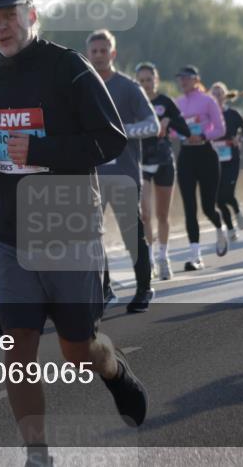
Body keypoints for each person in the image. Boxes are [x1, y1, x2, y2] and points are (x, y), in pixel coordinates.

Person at [0, 0, 148, 466]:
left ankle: (114, 370)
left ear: (31, 14)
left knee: (77, 351)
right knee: (17, 346)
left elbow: (111, 139)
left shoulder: (69, 68)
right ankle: (37, 455)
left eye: (9, 15)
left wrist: (41, 149)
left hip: (69, 230)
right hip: (10, 237)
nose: (1, 27)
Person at [86, 30, 160, 313]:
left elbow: (153, 125)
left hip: (124, 175)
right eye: (94, 51)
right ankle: (105, 289)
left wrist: (120, 131)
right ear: (88, 55)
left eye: (103, 51)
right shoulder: (83, 87)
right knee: (90, 236)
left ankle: (144, 288)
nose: (99, 56)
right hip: (92, 176)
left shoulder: (129, 88)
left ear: (113, 53)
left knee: (132, 235)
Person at [135, 62, 191, 281]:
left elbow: (185, 130)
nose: (146, 84)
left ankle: (163, 257)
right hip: (141, 162)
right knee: (144, 214)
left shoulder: (165, 102)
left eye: (149, 80)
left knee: (162, 215)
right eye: (141, 80)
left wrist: (170, 120)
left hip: (164, 161)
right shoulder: (134, 102)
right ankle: (149, 259)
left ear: (156, 80)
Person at [173, 65, 228, 270]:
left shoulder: (208, 101)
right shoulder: (177, 103)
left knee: (207, 207)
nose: (183, 81)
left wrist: (203, 135)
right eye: (180, 78)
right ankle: (196, 256)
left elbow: (221, 128)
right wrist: (180, 134)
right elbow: (172, 131)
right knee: (189, 207)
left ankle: (219, 226)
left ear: (196, 79)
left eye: (187, 78)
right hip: (186, 155)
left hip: (206, 154)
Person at [209, 82, 243, 242]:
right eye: (214, 93)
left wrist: (238, 139)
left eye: (219, 93)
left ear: (225, 96)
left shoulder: (233, 114)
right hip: (213, 160)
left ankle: (237, 210)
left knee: (227, 194)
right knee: (218, 199)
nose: (217, 96)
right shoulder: (208, 116)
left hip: (231, 159)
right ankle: (230, 228)